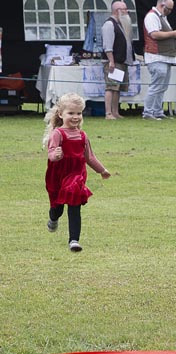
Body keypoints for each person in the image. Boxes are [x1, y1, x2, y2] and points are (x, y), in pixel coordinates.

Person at [43, 93, 111, 252]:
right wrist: (55, 155)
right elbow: (51, 153)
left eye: (79, 113)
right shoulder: (58, 134)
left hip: (76, 175)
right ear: (61, 114)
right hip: (58, 175)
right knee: (58, 207)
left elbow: (90, 157)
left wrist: (102, 170)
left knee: (74, 204)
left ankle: (74, 240)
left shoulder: (82, 135)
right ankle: (53, 217)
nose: (75, 117)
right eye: (71, 113)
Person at [142, 0, 176, 120]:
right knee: (156, 86)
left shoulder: (162, 17)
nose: (169, 12)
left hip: (166, 57)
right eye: (168, 9)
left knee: (162, 87)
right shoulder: (151, 16)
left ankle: (157, 111)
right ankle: (148, 112)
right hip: (156, 56)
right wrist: (173, 33)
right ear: (162, 5)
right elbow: (154, 34)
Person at [101, 1, 134, 120]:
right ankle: (108, 113)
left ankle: (115, 112)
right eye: (124, 9)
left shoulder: (121, 24)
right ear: (117, 11)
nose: (127, 11)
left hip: (121, 61)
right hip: (113, 62)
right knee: (111, 87)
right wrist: (111, 61)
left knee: (117, 88)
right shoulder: (109, 24)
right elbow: (107, 46)